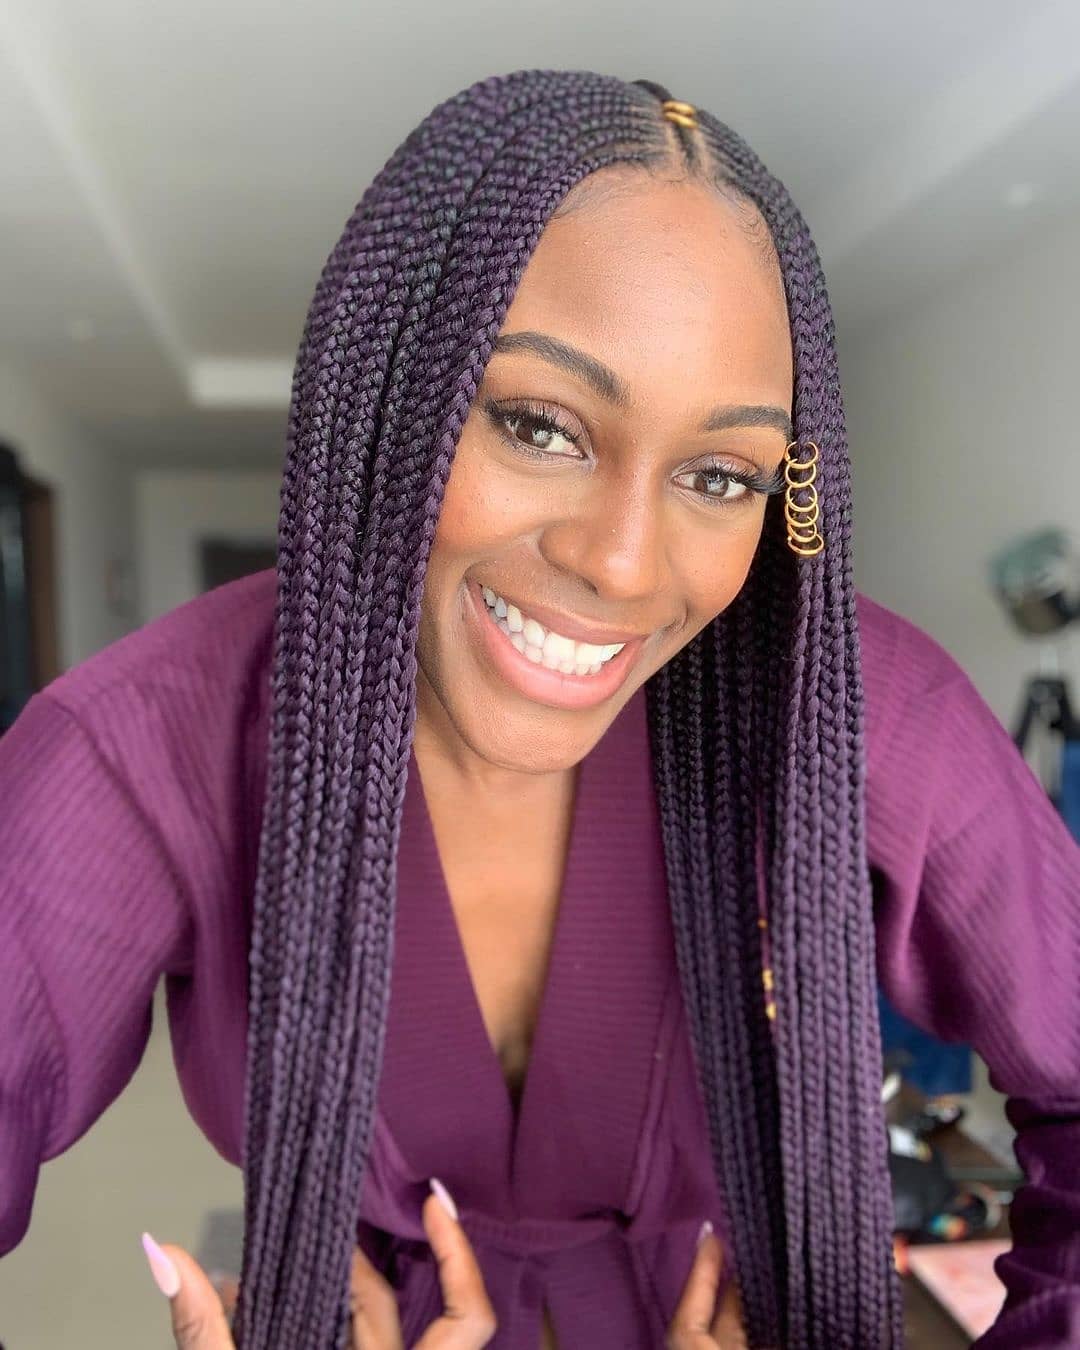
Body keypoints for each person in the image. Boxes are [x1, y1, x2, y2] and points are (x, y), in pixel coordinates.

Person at [1, 68, 1078, 1350]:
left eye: (719, 474)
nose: (623, 564)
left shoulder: (862, 717)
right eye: (539, 424)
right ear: (389, 393)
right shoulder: (144, 744)